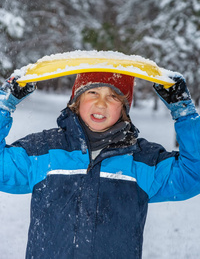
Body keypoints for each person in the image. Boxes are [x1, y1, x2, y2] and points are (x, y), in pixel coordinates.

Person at [0, 71, 200, 259]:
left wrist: (183, 111)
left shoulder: (141, 160)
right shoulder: (44, 150)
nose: (101, 103)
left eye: (113, 96)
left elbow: (192, 175)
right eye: (93, 92)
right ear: (76, 101)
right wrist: (4, 105)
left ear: (123, 109)